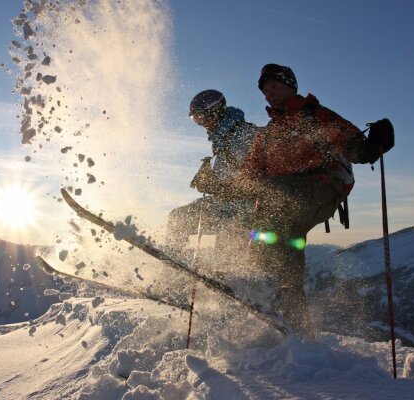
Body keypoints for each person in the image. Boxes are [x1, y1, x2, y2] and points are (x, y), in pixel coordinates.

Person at [242, 63, 394, 336]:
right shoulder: (268, 134)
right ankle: (285, 305)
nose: (268, 94)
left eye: (273, 86)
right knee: (266, 230)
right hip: (286, 195)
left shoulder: (312, 115)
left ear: (290, 85)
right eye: (265, 91)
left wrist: (371, 146)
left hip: (321, 187)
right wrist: (221, 187)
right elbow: (249, 174)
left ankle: (272, 292)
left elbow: (351, 145)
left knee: (277, 215)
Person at [166, 89, 257, 260]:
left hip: (244, 207)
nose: (201, 124)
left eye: (201, 117)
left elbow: (247, 176)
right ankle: (177, 268)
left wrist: (214, 180)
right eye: (195, 119)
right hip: (229, 204)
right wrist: (211, 177)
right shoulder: (222, 138)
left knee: (183, 220)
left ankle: (232, 277)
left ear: (216, 111)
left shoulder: (242, 134)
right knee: (178, 217)